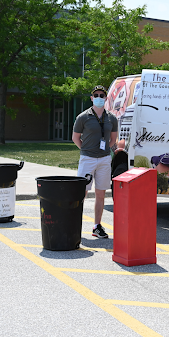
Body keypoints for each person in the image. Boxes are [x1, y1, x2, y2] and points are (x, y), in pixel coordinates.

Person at [72, 85, 118, 238]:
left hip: (104, 159)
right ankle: (73, 224)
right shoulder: (83, 117)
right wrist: (85, 149)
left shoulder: (111, 118)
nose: (99, 97)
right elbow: (75, 138)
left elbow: (113, 139)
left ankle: (97, 226)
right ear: (92, 98)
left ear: (106, 98)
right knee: (81, 192)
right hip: (87, 159)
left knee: (100, 193)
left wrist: (104, 151)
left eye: (102, 95)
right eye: (96, 95)